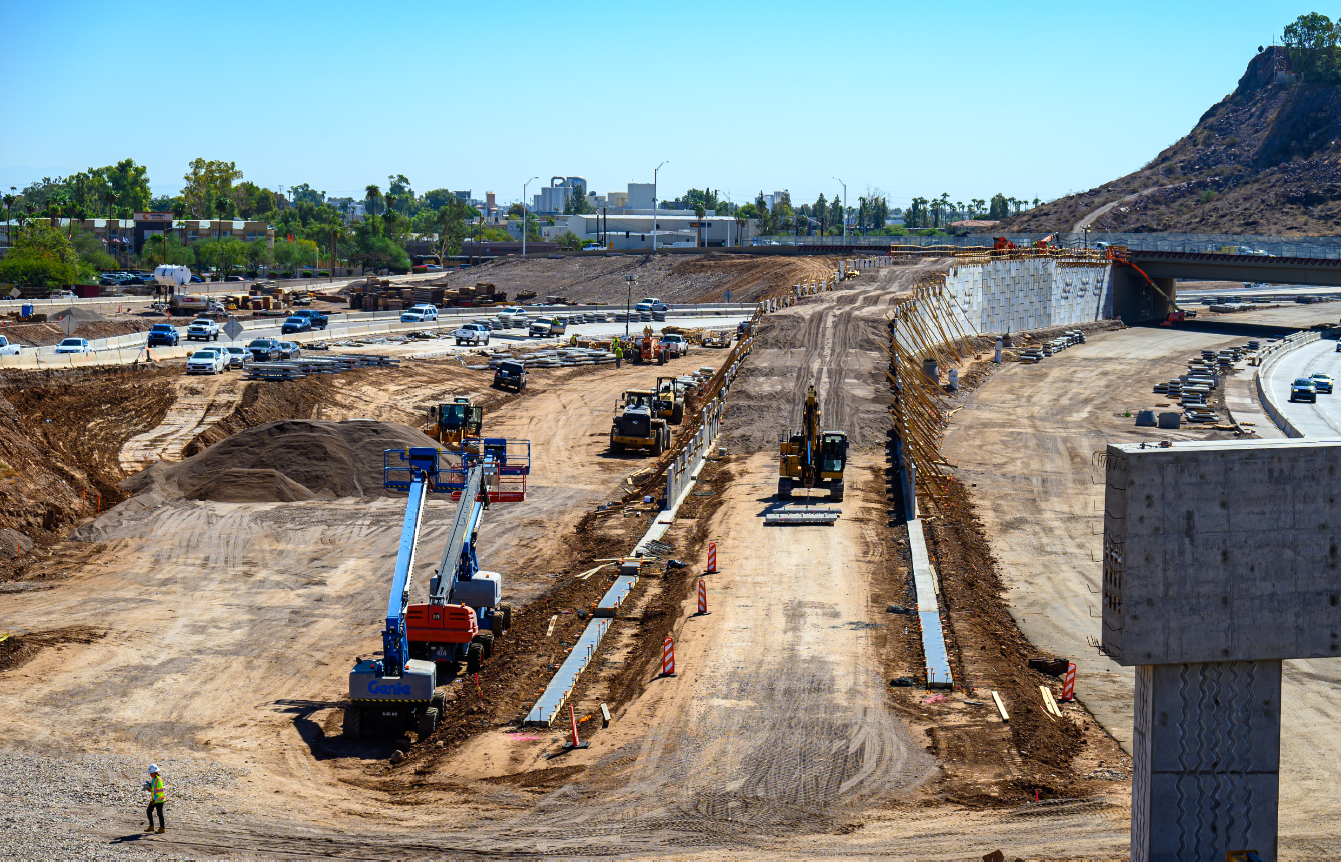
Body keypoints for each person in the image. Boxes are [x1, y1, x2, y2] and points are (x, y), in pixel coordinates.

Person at [144, 765, 166, 833]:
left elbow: (160, 791)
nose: (150, 774)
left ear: (155, 772)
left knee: (159, 813)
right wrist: (149, 788)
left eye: (151, 772)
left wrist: (154, 800)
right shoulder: (154, 779)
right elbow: (154, 789)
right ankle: (151, 826)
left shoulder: (158, 780)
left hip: (159, 800)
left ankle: (162, 828)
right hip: (154, 799)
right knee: (149, 811)